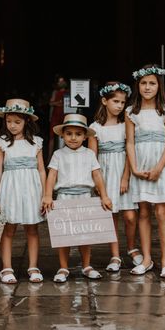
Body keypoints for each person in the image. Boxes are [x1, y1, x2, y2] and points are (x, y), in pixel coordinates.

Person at [125, 64, 165, 278]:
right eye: (143, 83)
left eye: (152, 83)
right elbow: (130, 143)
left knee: (161, 212)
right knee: (143, 212)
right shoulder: (131, 112)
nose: (147, 87)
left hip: (161, 165)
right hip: (140, 165)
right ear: (137, 85)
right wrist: (134, 167)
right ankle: (147, 259)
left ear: (158, 86)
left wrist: (159, 167)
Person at [42, 113, 113, 283]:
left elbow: (97, 175)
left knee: (85, 234)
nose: (73, 138)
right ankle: (63, 267)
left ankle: (87, 265)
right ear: (63, 135)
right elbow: (52, 175)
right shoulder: (58, 154)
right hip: (64, 197)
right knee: (64, 235)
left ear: (84, 136)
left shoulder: (89, 154)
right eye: (69, 134)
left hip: (84, 196)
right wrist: (47, 195)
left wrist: (104, 195)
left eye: (78, 134)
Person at [0, 99, 47, 284]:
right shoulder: (2, 143)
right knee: (9, 228)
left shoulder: (36, 143)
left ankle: (33, 266)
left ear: (27, 121)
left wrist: (46, 194)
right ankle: (6, 268)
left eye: (17, 122)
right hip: (10, 187)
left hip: (31, 188)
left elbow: (41, 170)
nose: (12, 126)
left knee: (32, 228)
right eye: (9, 121)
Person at [88, 81, 142, 272]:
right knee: (111, 215)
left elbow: (130, 151)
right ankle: (115, 255)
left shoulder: (126, 123)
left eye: (122, 102)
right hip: (105, 173)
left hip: (123, 172)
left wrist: (126, 177)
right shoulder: (95, 127)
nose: (119, 106)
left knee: (129, 215)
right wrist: (97, 182)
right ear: (104, 101)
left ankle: (131, 247)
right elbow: (92, 158)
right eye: (116, 101)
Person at [47, 74, 68, 156]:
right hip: (55, 116)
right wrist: (58, 103)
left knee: (64, 134)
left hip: (65, 115)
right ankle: (49, 156)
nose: (61, 83)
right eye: (59, 81)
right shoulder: (55, 92)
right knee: (52, 136)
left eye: (62, 81)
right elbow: (50, 103)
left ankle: (64, 155)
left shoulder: (68, 92)